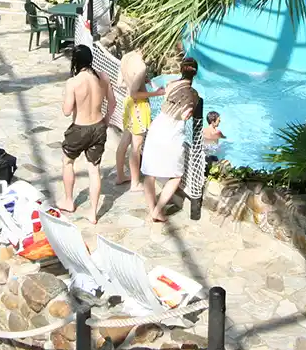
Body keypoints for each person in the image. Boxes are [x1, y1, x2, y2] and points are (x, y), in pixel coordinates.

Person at [59, 45, 116, 224]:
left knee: (68, 162)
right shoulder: (103, 77)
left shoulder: (73, 82)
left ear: (75, 61)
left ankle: (68, 201)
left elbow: (67, 111)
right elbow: (112, 103)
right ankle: (93, 213)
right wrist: (106, 120)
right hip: (98, 127)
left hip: (80, 128)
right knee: (94, 170)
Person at [140, 57, 200, 223]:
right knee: (176, 176)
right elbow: (185, 115)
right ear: (196, 74)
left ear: (181, 70)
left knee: (149, 174)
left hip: (157, 126)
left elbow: (166, 95)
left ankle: (152, 209)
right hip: (172, 133)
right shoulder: (194, 95)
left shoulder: (171, 84)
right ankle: (158, 210)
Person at [115, 51, 164, 190]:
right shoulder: (141, 66)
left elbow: (120, 83)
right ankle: (135, 183)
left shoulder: (126, 57)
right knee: (136, 146)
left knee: (125, 140)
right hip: (139, 106)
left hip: (128, 104)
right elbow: (135, 93)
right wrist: (156, 93)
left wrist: (140, 81)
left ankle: (120, 176)